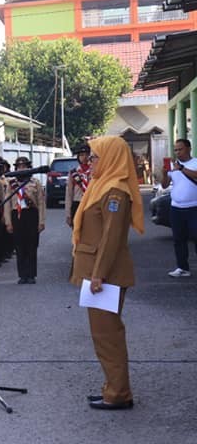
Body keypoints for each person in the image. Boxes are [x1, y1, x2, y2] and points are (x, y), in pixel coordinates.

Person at [70, 135, 143, 410]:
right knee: (102, 334)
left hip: (106, 275)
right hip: (99, 273)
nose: (91, 160)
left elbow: (111, 238)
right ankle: (112, 387)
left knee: (108, 335)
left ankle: (118, 394)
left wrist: (98, 274)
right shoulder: (101, 186)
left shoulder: (115, 191)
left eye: (97, 156)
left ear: (112, 158)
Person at [4, 157, 46, 284]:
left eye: (24, 166)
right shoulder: (11, 183)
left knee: (32, 246)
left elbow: (41, 202)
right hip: (17, 215)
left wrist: (41, 221)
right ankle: (22, 275)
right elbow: (7, 204)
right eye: (19, 166)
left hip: (31, 214)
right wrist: (8, 222)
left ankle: (31, 275)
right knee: (20, 246)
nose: (22, 169)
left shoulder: (35, 183)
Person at [160, 138, 197, 277]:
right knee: (178, 239)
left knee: (196, 236)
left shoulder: (195, 163)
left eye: (180, 149)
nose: (177, 152)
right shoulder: (172, 165)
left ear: (188, 149)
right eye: (175, 150)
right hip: (176, 208)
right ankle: (182, 268)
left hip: (194, 207)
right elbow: (164, 185)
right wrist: (164, 174)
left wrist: (181, 168)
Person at [65, 143, 92, 227]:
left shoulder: (95, 171)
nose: (84, 157)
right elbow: (69, 194)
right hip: (77, 203)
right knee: (77, 231)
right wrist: (68, 214)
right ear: (78, 157)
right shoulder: (73, 173)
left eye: (87, 154)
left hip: (92, 203)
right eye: (81, 155)